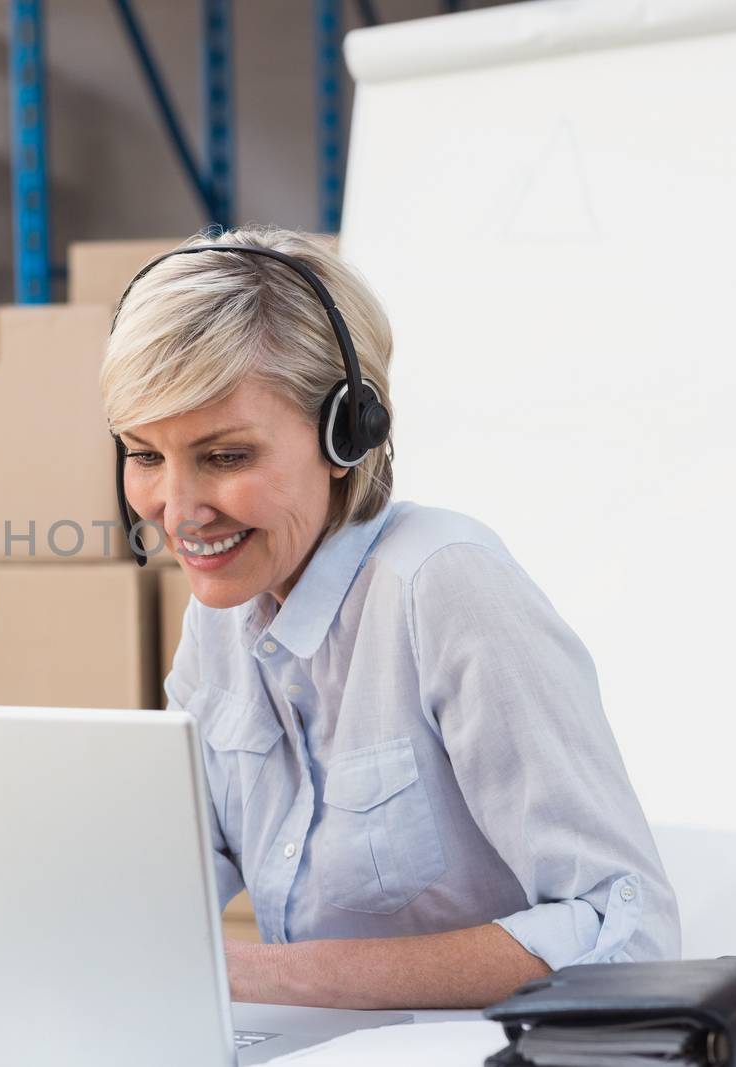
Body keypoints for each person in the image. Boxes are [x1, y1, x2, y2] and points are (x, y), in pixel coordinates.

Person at [101, 228, 678, 1009]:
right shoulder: (225, 614)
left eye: (226, 457)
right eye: (144, 455)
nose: (177, 509)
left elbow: (627, 928)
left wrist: (268, 975)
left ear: (349, 430)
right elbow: (168, 874)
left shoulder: (444, 587)